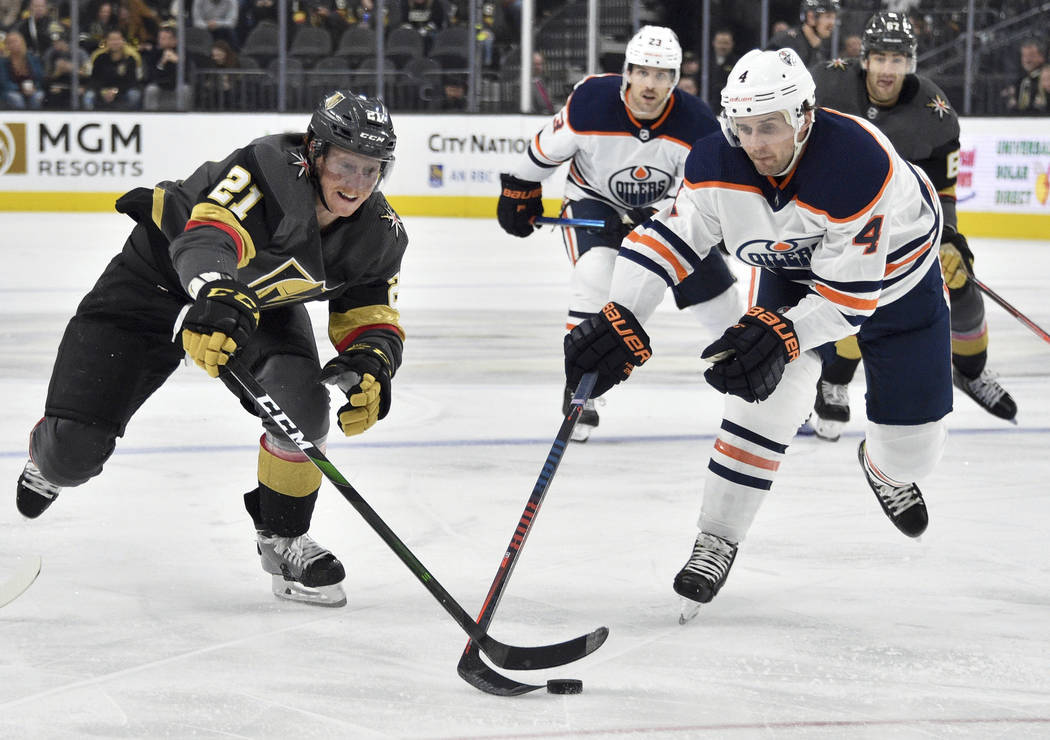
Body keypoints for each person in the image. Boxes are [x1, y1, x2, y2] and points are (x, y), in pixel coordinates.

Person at [563, 48, 950, 612]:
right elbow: (666, 240)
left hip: (896, 285)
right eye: (743, 128)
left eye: (769, 127)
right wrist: (620, 313)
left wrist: (783, 334)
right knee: (759, 391)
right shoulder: (716, 162)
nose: (756, 144)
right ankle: (716, 537)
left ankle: (884, 465)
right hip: (795, 273)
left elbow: (852, 296)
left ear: (805, 117)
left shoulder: (857, 163)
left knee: (913, 455)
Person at [15, 90, 406, 609]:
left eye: (371, 170)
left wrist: (372, 362)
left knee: (303, 410)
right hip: (155, 281)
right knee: (73, 456)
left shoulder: (379, 233)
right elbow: (209, 235)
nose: (356, 184)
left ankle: (283, 538)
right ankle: (49, 458)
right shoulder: (265, 167)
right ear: (315, 153)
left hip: (253, 303)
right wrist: (216, 293)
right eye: (345, 165)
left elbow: (370, 311)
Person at [496, 25, 741, 442]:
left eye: (662, 75)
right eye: (643, 72)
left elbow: (701, 196)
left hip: (663, 214)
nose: (650, 84)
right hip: (594, 201)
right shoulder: (591, 101)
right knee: (596, 275)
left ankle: (761, 382)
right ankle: (582, 385)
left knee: (723, 302)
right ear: (627, 71)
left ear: (677, 79)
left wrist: (657, 215)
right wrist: (520, 189)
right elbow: (544, 150)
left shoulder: (697, 123)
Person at [807, 11, 1016, 440]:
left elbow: (944, 192)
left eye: (898, 59)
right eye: (880, 58)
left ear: (911, 62)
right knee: (856, 288)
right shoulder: (824, 85)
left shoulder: (934, 114)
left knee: (959, 281)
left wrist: (951, 240)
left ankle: (971, 371)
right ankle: (835, 377)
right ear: (865, 58)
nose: (888, 70)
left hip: (903, 222)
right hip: (829, 215)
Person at [765, 0, 839, 68]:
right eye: (828, 17)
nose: (833, 23)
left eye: (834, 18)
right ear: (811, 17)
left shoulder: (821, 51)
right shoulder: (785, 43)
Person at [84, 28, 142, 110]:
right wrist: (103, 91)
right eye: (112, 40)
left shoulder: (130, 59)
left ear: (123, 41)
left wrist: (115, 91)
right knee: (89, 96)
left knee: (134, 94)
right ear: (107, 41)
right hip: (102, 91)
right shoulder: (100, 58)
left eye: (118, 39)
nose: (115, 42)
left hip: (123, 91)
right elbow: (94, 79)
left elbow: (132, 82)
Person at [0, 30, 46, 109]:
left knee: (38, 96)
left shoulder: (33, 59)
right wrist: (21, 89)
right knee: (16, 99)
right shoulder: (3, 62)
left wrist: (34, 88)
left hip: (32, 90)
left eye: (16, 41)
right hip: (12, 91)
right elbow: (4, 82)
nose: (14, 44)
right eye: (10, 42)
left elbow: (40, 77)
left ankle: (33, 119)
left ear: (22, 43)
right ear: (6, 45)